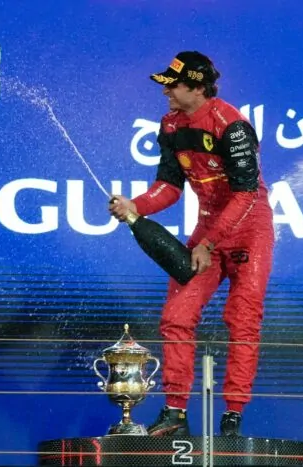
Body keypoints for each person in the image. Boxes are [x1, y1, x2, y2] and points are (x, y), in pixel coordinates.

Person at [109, 51, 274, 435]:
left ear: (198, 88)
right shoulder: (169, 125)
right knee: (177, 317)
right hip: (207, 231)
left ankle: (232, 416)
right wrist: (136, 205)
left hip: (249, 230)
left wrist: (209, 243)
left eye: (173, 85)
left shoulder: (232, 125)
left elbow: (246, 195)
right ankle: (175, 413)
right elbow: (169, 187)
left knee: (242, 321)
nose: (165, 91)